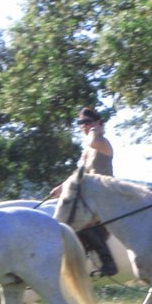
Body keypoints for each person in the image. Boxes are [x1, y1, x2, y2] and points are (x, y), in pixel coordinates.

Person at [50, 106, 118, 277]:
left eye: (87, 122)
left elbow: (92, 141)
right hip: (89, 194)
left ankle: (107, 262)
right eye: (80, 122)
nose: (84, 125)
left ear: (98, 122)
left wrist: (94, 130)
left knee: (85, 221)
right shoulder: (87, 148)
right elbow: (79, 173)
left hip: (104, 192)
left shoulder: (101, 142)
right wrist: (62, 187)